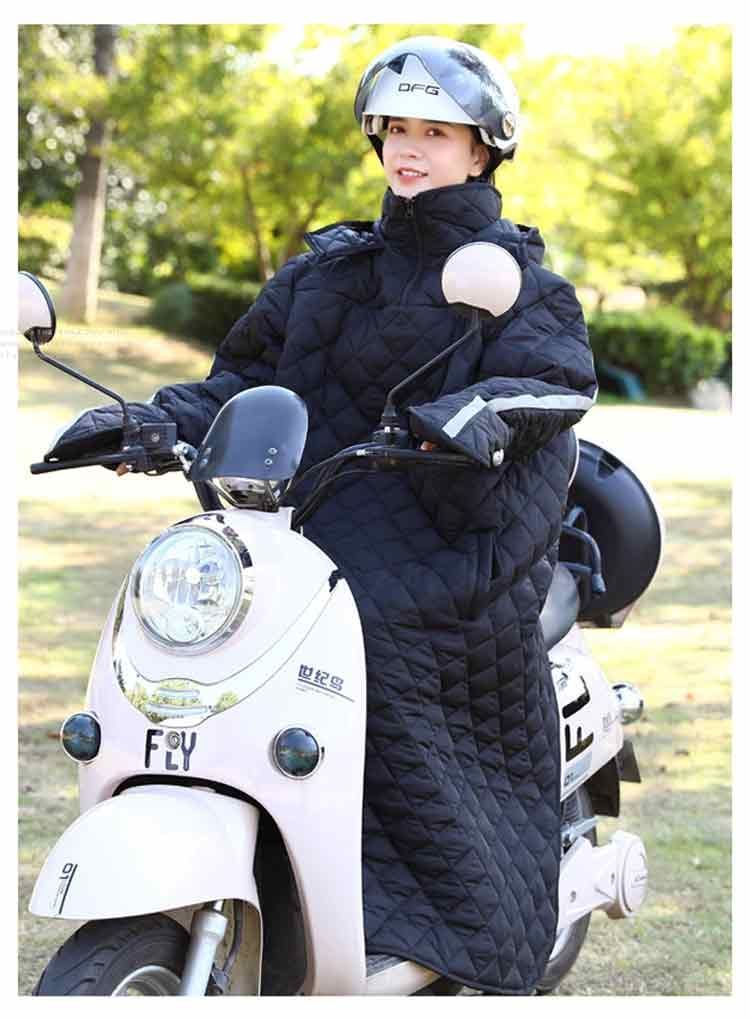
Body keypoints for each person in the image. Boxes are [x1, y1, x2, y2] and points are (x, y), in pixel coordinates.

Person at [50, 36, 597, 994]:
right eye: (397, 129)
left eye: (437, 132)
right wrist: (147, 420)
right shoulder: (326, 275)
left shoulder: (521, 283)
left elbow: (552, 381)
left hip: (448, 538)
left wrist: (471, 416)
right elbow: (242, 382)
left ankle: (433, 921)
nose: (410, 148)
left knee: (369, 638)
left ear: (483, 151)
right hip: (307, 527)